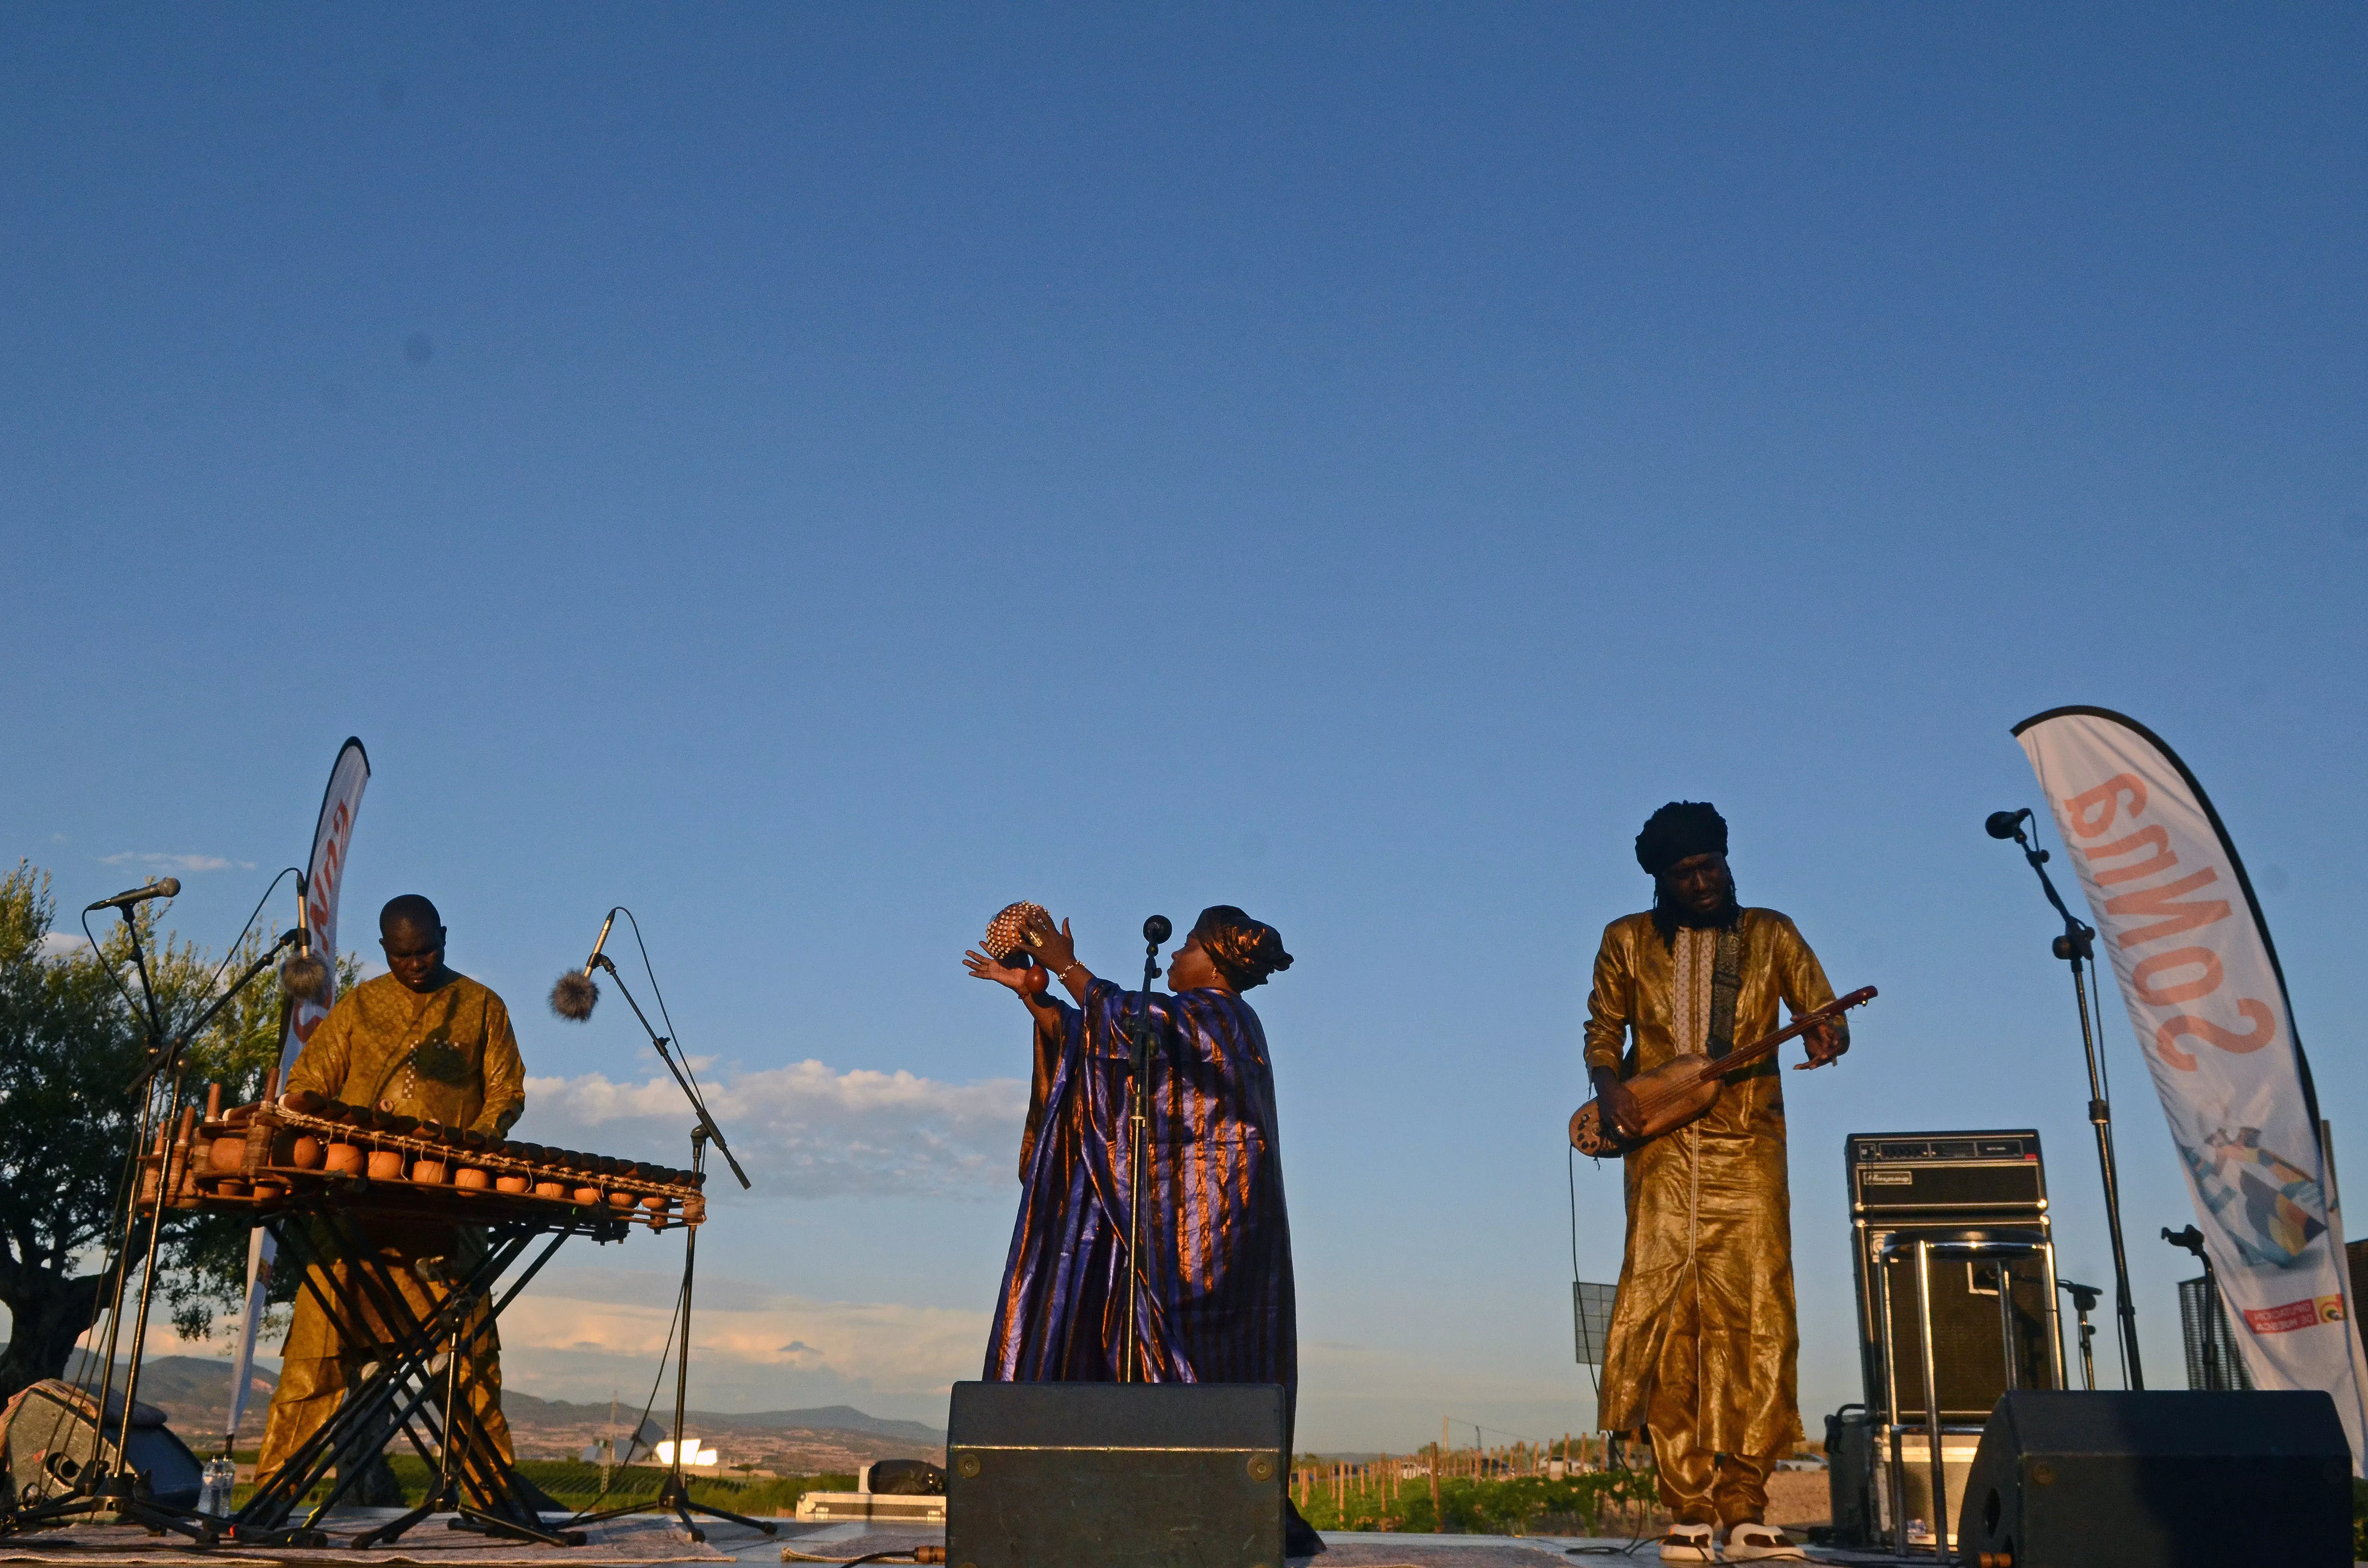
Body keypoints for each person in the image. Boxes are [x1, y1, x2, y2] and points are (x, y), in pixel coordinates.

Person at [964, 905, 1320, 1552]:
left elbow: (1132, 1019)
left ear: (1213, 959)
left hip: (1207, 1235)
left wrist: (1067, 965)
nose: (1177, 957)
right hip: (1154, 1229)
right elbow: (1099, 1047)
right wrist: (1040, 1001)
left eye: (1187, 946)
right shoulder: (1185, 1024)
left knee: (1198, 1374)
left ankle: (1201, 1507)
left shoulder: (1222, 1019)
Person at [1584, 804, 1849, 1564]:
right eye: (1686, 873)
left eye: (1713, 867)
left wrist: (1832, 1032)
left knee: (1759, 1316)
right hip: (1661, 1155)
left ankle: (1747, 1501)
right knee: (1669, 1322)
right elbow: (1603, 1030)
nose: (1704, 882)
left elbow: (1822, 1009)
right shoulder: (1626, 941)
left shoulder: (1771, 933)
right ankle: (1688, 1504)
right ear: (1661, 881)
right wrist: (1611, 1091)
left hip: (1749, 1149)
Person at [255, 895, 527, 1496]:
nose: (416, 964)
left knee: (469, 1361)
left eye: (427, 949)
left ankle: (490, 1495)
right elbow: (307, 1083)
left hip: (446, 1207)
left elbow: (507, 1090)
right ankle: (274, 1494)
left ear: (444, 936)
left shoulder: (482, 1006)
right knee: (315, 1358)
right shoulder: (358, 1007)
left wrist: (467, 1148)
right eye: (403, 955)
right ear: (384, 950)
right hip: (354, 1212)